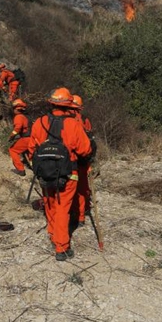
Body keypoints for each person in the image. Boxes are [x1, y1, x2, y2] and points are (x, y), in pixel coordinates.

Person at [26, 87, 92, 261]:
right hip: (68, 174)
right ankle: (61, 247)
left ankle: (52, 233)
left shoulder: (39, 122)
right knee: (63, 208)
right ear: (69, 105)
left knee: (50, 204)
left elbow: (31, 149)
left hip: (44, 174)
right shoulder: (73, 124)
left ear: (51, 104)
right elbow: (85, 149)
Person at [71, 94, 95, 226]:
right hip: (83, 160)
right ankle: (81, 214)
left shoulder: (67, 121)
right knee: (82, 189)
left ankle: (76, 215)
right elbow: (89, 138)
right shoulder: (83, 119)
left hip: (71, 161)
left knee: (74, 190)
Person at [8, 99, 31, 176]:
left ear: (17, 109)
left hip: (26, 138)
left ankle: (20, 169)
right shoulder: (26, 117)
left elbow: (17, 128)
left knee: (13, 150)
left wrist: (11, 136)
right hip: (32, 138)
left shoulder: (18, 117)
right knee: (30, 154)